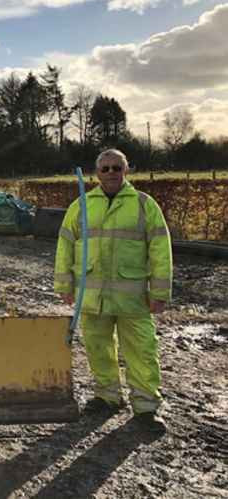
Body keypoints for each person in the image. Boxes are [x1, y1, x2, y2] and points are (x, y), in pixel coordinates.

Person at [54, 149, 172, 433]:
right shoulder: (80, 205)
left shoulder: (144, 205)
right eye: (105, 168)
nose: (110, 173)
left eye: (116, 167)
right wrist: (64, 286)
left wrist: (160, 292)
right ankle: (108, 397)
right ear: (97, 173)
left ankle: (145, 408)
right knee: (98, 348)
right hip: (93, 297)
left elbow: (160, 249)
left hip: (133, 298)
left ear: (126, 170)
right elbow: (65, 245)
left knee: (142, 351)